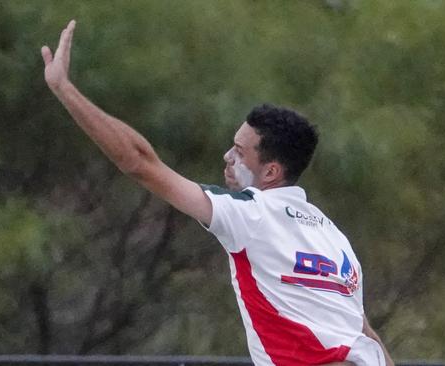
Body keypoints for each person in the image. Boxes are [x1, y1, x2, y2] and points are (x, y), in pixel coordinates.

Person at [41, 20, 394, 366]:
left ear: (271, 171)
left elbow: (138, 163)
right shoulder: (333, 237)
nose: (227, 157)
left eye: (240, 152)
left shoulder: (249, 213)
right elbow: (365, 334)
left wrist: (64, 89)